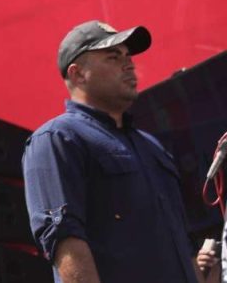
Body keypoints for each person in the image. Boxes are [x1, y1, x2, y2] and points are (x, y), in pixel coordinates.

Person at [22, 20, 198, 283]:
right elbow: (66, 241)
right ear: (78, 74)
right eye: (113, 57)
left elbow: (184, 242)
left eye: (128, 57)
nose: (128, 64)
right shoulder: (58, 139)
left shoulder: (152, 146)